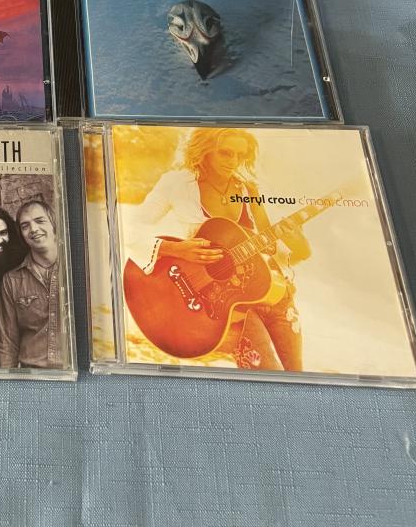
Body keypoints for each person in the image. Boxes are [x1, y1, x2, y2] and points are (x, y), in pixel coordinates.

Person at [126, 127, 307, 370]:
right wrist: (176, 249)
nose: (233, 161)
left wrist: (293, 239)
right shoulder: (177, 183)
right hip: (225, 301)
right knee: (266, 372)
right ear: (205, 151)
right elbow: (129, 227)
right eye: (225, 153)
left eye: (240, 155)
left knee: (297, 372)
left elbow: (281, 247)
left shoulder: (251, 189)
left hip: (273, 291)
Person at [0, 196, 63, 369]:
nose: (33, 229)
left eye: (40, 221)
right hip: (31, 373)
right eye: (25, 226)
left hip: (74, 373)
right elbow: (7, 342)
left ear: (54, 224)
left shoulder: (75, 268)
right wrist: (8, 380)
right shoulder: (12, 280)